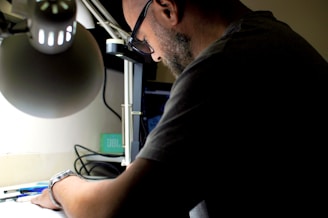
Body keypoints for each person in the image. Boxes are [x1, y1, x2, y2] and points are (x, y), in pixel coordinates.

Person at [31, 0, 328, 217]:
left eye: (143, 40)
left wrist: (62, 184)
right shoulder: (274, 41)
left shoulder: (224, 64)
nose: (155, 56)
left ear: (167, 8)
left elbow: (113, 212)